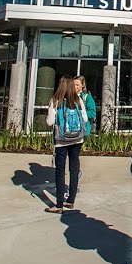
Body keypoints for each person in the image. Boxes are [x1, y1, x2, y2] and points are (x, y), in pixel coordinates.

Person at [44, 76, 89, 213]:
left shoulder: (55, 101)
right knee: (74, 169)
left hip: (61, 140)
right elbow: (85, 118)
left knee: (60, 171)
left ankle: (58, 205)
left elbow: (50, 122)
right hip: (77, 139)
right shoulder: (78, 100)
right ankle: (70, 201)